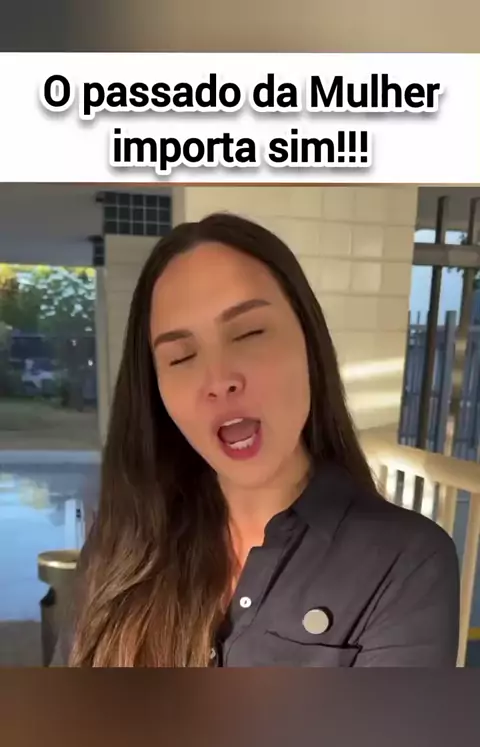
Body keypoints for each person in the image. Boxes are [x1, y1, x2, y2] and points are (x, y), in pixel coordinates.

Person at [63, 212, 459, 668]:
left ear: (309, 342)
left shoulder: (406, 562)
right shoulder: (123, 544)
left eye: (250, 333)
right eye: (181, 356)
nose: (219, 379)